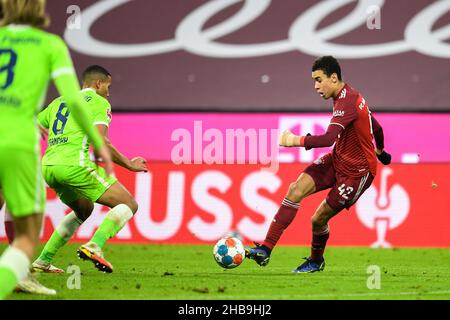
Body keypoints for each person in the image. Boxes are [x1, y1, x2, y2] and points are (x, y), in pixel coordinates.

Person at [0, 0, 112, 299]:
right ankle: (17, 276)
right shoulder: (49, 44)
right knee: (27, 233)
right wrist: (98, 145)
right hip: (17, 141)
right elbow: (74, 100)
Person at [245, 56, 391, 273]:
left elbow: (327, 139)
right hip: (338, 159)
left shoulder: (347, 101)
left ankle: (316, 261)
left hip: (357, 173)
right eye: (314, 81)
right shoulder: (349, 95)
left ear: (333, 78)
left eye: (319, 79)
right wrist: (381, 150)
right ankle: (265, 249)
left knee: (318, 219)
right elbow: (376, 127)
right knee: (295, 190)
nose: (315, 86)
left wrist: (294, 140)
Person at [32, 65, 148, 274]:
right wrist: (129, 164)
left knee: (84, 209)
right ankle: (94, 246)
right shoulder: (98, 102)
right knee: (129, 204)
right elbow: (100, 141)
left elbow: (31, 123)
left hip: (48, 167)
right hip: (75, 165)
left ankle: (43, 260)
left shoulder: (59, 102)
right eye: (107, 86)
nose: (108, 92)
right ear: (98, 83)